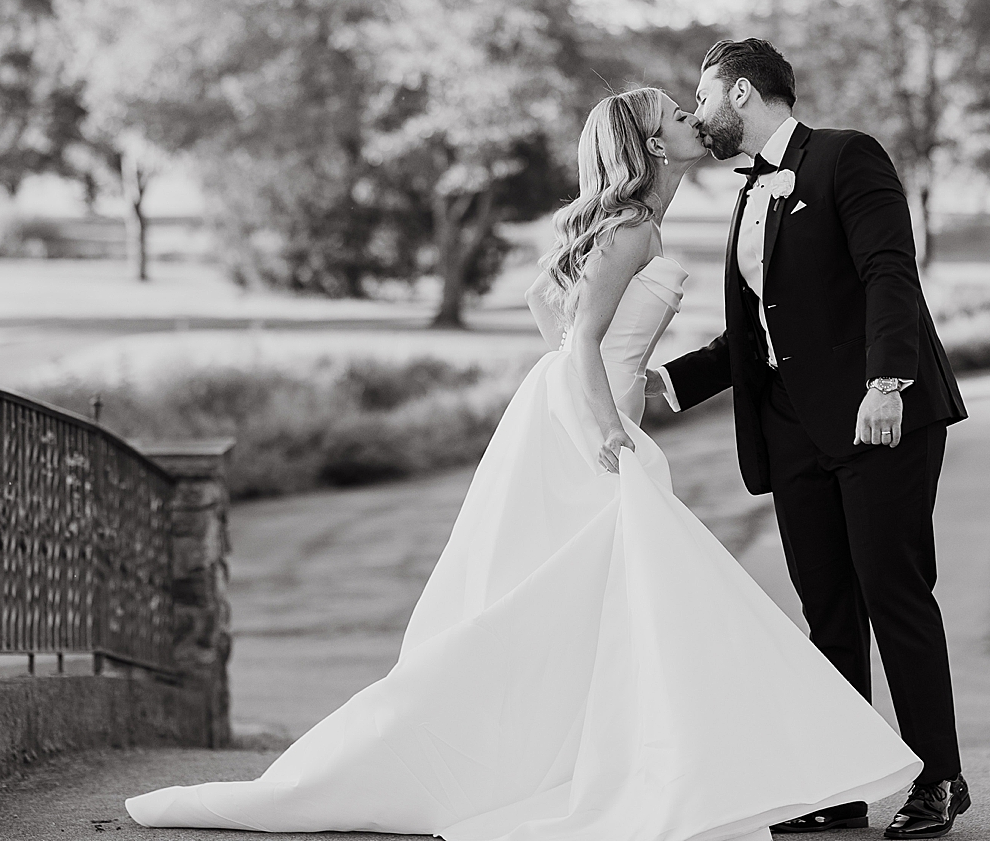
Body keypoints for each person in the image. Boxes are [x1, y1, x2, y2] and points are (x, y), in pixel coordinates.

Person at [125, 87, 921, 841]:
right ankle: (672, 767)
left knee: (586, 599)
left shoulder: (633, 223)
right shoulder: (635, 229)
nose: (693, 118)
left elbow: (550, 305)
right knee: (652, 592)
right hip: (593, 430)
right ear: (653, 144)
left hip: (572, 410)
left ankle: (631, 759)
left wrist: (603, 381)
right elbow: (577, 336)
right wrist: (605, 415)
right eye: (679, 114)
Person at [647, 39, 970, 839]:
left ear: (745, 95)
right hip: (792, 431)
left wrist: (886, 383)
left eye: (705, 95)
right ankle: (844, 779)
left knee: (893, 593)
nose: (699, 111)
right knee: (826, 607)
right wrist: (667, 383)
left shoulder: (846, 158)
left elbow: (890, 272)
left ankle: (940, 779)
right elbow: (760, 329)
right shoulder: (749, 193)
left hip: (877, 416)